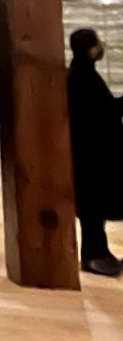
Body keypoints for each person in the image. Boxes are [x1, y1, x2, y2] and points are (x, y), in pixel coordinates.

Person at [67, 28, 123, 276]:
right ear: (91, 49)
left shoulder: (81, 74)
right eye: (98, 43)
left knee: (94, 211)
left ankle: (99, 252)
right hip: (92, 157)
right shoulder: (83, 77)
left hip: (89, 155)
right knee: (92, 210)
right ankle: (94, 256)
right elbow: (104, 113)